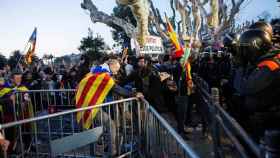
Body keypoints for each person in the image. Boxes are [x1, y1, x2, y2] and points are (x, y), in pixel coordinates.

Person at [234, 28, 280, 142]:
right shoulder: (261, 62)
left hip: (269, 121)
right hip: (262, 118)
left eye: (245, 49)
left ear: (255, 47)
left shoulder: (270, 66)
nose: (242, 53)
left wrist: (240, 67)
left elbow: (245, 87)